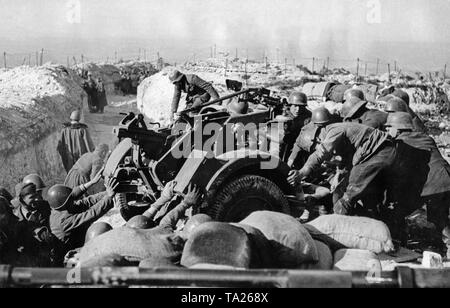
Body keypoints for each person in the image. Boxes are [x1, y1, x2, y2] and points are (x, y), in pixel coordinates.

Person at [287, 118, 425, 232]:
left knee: (347, 196)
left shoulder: (334, 130)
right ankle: (376, 229)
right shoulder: (342, 134)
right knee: (343, 193)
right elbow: (348, 164)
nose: (318, 144)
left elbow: (320, 154)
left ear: (319, 133)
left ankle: (336, 232)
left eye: (317, 142)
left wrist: (301, 173)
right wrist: (338, 177)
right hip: (381, 154)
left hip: (379, 153)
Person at [386, 112, 450, 258]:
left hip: (432, 184)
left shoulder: (400, 143)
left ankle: (399, 244)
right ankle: (443, 246)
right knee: (439, 216)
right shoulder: (425, 138)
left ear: (398, 128)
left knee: (398, 210)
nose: (387, 131)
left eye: (389, 127)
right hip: (445, 180)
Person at [49, 176, 119, 260]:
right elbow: (91, 214)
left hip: (77, 245)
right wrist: (108, 197)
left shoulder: (60, 209)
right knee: (98, 230)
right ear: (65, 204)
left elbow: (87, 202)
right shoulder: (63, 221)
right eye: (70, 199)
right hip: (69, 256)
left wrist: (106, 193)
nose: (74, 201)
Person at [282, 92, 312, 161]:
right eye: (295, 106)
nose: (298, 109)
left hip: (300, 143)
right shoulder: (284, 113)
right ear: (290, 105)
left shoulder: (308, 116)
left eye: (301, 106)